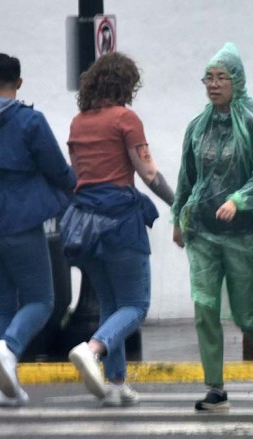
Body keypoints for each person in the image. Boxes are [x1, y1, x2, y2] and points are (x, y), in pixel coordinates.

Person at [0, 53, 76, 407]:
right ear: (19, 83)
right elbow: (56, 168)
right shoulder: (30, 121)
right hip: (19, 223)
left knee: (2, 301)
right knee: (41, 300)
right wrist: (75, 184)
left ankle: (6, 389)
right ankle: (10, 349)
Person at [172, 42, 253, 411]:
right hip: (202, 231)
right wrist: (179, 218)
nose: (214, 84)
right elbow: (187, 176)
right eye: (209, 77)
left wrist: (238, 200)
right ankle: (216, 389)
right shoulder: (198, 125)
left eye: (222, 77)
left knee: (248, 315)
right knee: (204, 307)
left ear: (237, 80)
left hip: (242, 232)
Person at [63, 52, 174, 408]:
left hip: (84, 222)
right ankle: (92, 348)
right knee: (137, 305)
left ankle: (115, 385)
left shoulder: (78, 123)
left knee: (111, 304)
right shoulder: (126, 119)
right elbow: (148, 173)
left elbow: (76, 174)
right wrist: (179, 202)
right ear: (125, 84)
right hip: (120, 221)